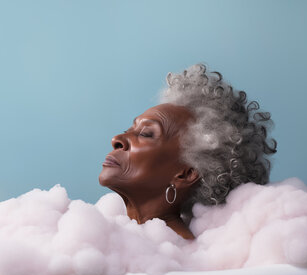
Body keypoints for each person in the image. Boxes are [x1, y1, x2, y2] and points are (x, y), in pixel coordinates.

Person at [99, 64, 277, 240]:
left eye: (146, 134)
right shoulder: (117, 236)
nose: (117, 139)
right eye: (128, 129)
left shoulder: (181, 256)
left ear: (185, 174)